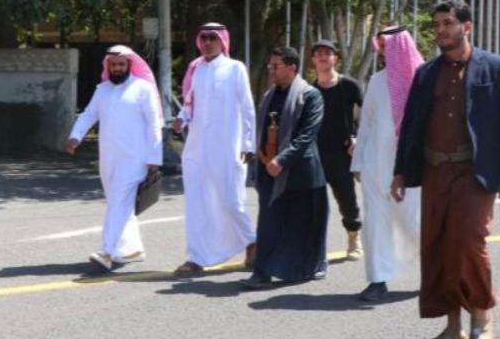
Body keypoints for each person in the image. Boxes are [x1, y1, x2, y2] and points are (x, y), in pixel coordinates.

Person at [392, 1, 500, 339]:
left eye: (448, 23)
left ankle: (482, 318)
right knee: (438, 247)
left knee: (468, 241)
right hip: (435, 171)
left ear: (467, 27)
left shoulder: (495, 67)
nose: (440, 30)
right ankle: (453, 326)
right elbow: (411, 126)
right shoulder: (425, 73)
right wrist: (400, 171)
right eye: (436, 25)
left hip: (474, 172)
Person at [66, 45, 164, 271]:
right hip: (108, 158)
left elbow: (154, 125)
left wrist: (154, 157)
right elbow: (89, 115)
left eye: (121, 64)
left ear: (129, 65)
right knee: (118, 203)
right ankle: (131, 250)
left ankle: (107, 251)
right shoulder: (102, 90)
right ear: (108, 66)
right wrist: (75, 137)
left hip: (135, 158)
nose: (117, 68)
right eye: (113, 65)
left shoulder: (143, 88)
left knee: (119, 202)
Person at [240, 47, 328, 289]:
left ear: (292, 67)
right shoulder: (269, 96)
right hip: (270, 170)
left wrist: (282, 160)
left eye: (276, 66)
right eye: (270, 66)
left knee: (303, 224)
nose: (271, 70)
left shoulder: (310, 96)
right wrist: (256, 153)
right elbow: (259, 130)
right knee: (269, 221)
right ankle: (262, 272)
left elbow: (306, 135)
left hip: (301, 172)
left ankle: (309, 266)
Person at [172, 23, 256, 274]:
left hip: (228, 146)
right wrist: (181, 118)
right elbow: (190, 103)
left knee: (231, 200)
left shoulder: (235, 68)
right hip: (197, 147)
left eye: (212, 38)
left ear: (222, 40)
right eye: (204, 38)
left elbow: (247, 108)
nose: (207, 42)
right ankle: (196, 257)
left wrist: (248, 143)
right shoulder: (196, 70)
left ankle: (253, 241)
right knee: (197, 202)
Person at [350, 26, 424, 301]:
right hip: (375, 164)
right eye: (379, 45)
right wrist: (358, 162)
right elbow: (366, 123)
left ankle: (435, 273)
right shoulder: (377, 81)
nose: (382, 50)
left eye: (386, 45)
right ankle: (377, 279)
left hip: (412, 168)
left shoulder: (423, 78)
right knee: (375, 223)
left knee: (416, 222)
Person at [311, 39, 364, 260]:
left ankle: (354, 238)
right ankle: (314, 247)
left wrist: (357, 137)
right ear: (313, 60)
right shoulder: (309, 90)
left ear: (336, 58)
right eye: (318, 53)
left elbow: (368, 114)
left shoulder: (349, 85)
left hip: (342, 153)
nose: (323, 57)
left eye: (327, 53)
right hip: (315, 154)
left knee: (347, 200)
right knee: (313, 202)